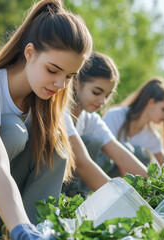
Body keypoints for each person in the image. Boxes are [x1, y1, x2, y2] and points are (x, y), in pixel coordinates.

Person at [0, 0, 98, 239]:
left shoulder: (48, 103)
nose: (60, 84)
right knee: (13, 132)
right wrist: (21, 228)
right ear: (30, 53)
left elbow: (81, 160)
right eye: (53, 70)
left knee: (56, 144)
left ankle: (32, 233)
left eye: (69, 76)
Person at [61, 51, 148, 197]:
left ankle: (78, 196)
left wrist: (157, 185)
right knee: (92, 141)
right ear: (77, 82)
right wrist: (121, 199)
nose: (102, 101)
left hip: (71, 181)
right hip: (49, 184)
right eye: (96, 92)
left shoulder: (90, 119)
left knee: (100, 143)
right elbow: (82, 164)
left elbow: (121, 155)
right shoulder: (62, 111)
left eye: (107, 95)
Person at [102, 78, 164, 175]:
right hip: (102, 171)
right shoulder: (114, 116)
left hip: (122, 179)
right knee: (130, 149)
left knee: (142, 156)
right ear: (151, 102)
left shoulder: (151, 135)